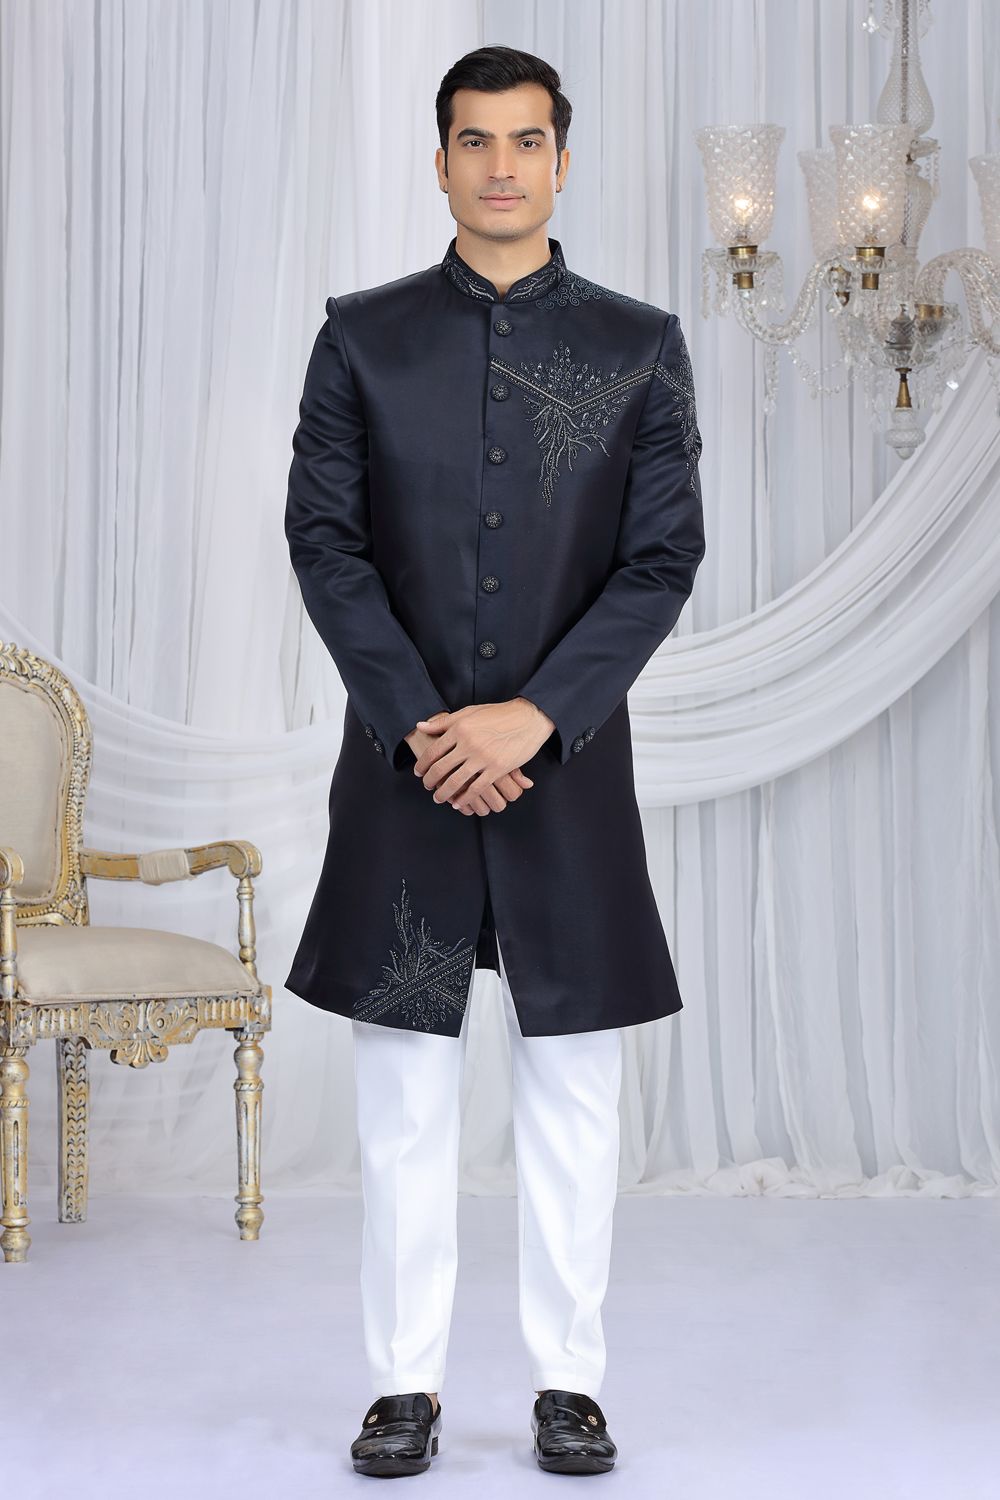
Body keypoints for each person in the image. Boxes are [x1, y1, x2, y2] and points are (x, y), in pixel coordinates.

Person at [283, 43, 706, 1479]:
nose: (503, 166)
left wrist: (536, 717)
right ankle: (401, 1387)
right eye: (477, 141)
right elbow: (326, 545)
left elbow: (660, 562)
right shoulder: (361, 339)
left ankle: (569, 1384)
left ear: (563, 160)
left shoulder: (640, 347)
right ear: (442, 160)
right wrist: (424, 721)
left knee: (573, 1085)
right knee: (403, 1092)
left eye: (528, 141)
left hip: (565, 779)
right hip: (402, 775)